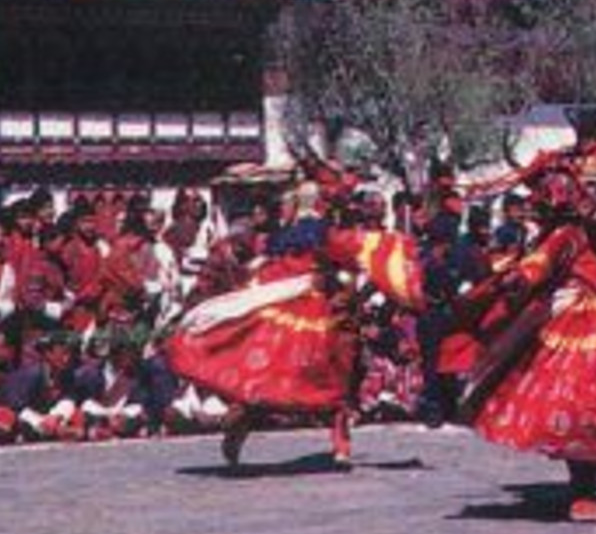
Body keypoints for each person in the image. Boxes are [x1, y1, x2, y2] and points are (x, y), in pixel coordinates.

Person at [444, 141, 596, 524]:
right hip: (579, 324)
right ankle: (583, 497)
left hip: (594, 322)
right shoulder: (567, 234)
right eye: (589, 195)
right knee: (588, 406)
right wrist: (513, 277)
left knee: (593, 406)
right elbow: (538, 268)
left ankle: (584, 494)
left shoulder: (589, 234)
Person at [164, 169, 423, 467]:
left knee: (270, 377)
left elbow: (274, 273)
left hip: (285, 309)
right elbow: (356, 254)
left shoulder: (283, 237)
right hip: (313, 314)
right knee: (336, 375)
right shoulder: (322, 233)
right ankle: (339, 444)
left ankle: (249, 421)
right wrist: (395, 250)